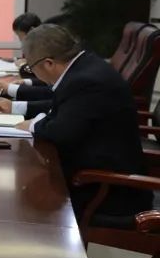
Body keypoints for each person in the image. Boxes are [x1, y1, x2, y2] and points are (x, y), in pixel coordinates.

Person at [13, 24, 151, 222]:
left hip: (109, 191)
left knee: (29, 207)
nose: (33, 74)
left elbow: (60, 133)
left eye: (31, 68)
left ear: (49, 63)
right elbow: (61, 114)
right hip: (99, 172)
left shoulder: (85, 81)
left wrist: (32, 125)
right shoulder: (84, 67)